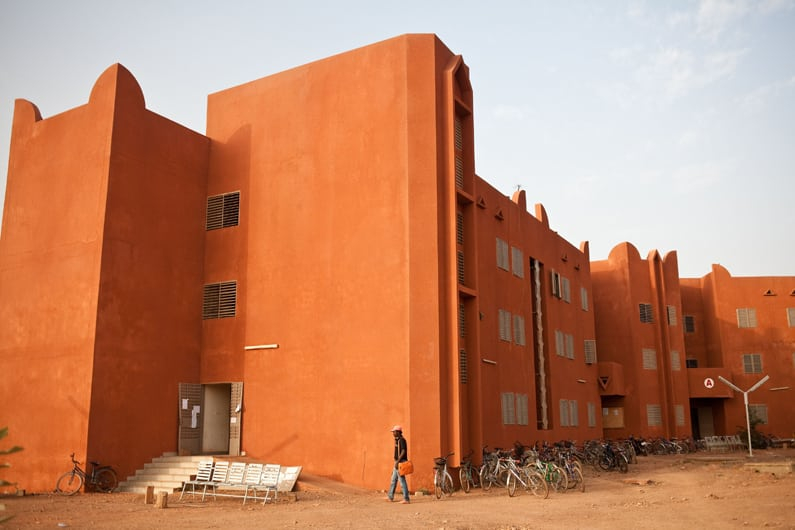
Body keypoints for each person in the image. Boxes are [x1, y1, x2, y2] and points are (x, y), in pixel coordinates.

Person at [386, 424, 410, 504]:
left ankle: (406, 499)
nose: (393, 433)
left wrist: (397, 461)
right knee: (393, 480)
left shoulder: (402, 440)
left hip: (400, 462)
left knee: (402, 480)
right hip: (397, 462)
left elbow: (403, 451)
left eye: (394, 432)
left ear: (398, 432)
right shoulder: (397, 440)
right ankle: (390, 497)